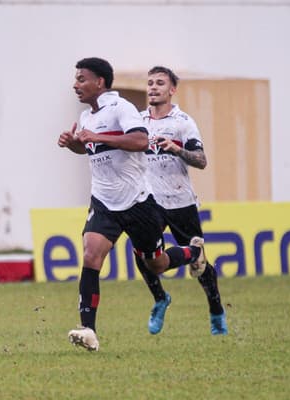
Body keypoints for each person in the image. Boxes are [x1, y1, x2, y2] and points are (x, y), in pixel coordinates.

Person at [58, 57, 207, 352]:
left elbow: (141, 141)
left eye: (82, 79)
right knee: (91, 255)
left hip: (138, 203)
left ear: (99, 82)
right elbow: (90, 147)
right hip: (103, 201)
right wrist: (73, 143)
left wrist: (96, 136)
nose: (76, 85)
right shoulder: (88, 116)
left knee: (157, 263)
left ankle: (194, 252)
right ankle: (88, 329)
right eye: (76, 79)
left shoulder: (121, 108)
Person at [135, 66, 227, 335]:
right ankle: (160, 298)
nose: (153, 87)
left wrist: (176, 149)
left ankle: (216, 310)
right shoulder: (138, 121)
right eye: (150, 83)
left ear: (172, 90)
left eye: (160, 83)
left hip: (179, 200)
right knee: (142, 253)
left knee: (199, 264)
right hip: (148, 201)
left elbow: (201, 160)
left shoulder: (182, 122)